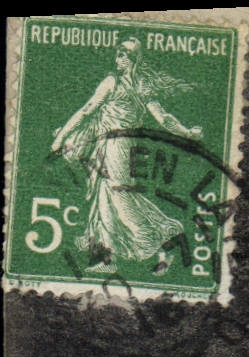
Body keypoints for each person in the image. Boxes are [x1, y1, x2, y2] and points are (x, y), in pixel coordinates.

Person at [50, 39, 202, 276]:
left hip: (118, 147)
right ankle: (105, 253)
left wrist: (60, 139)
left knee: (120, 201)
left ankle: (165, 237)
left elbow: (88, 110)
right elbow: (89, 110)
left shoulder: (122, 84)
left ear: (133, 59)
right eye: (117, 55)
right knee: (108, 198)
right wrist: (187, 132)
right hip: (111, 146)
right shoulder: (134, 85)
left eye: (122, 56)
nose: (117, 60)